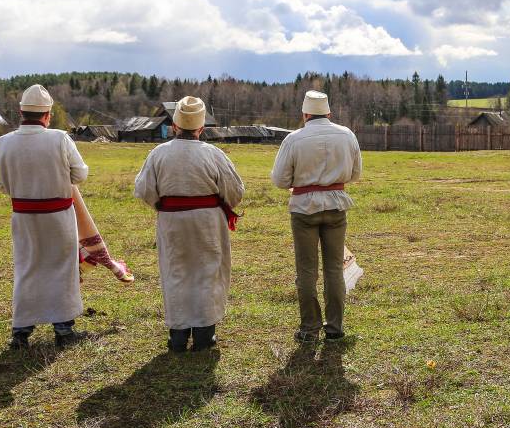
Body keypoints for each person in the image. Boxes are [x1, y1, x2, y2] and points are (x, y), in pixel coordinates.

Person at [134, 97, 244, 352]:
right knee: (207, 272)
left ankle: (179, 336)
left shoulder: (158, 153)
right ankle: (205, 334)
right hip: (207, 222)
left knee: (176, 272)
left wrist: (161, 204)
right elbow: (235, 191)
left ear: (174, 126)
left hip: (172, 221)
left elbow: (144, 190)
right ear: (201, 128)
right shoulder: (213, 154)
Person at [0, 84, 90, 349]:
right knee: (61, 267)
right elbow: (79, 174)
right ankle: (64, 330)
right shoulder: (60, 139)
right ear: (47, 114)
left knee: (27, 266)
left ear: (21, 112)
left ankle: (21, 330)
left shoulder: (4, 142)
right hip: (58, 216)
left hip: (23, 217)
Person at [270, 90, 362, 343]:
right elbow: (355, 174)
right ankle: (335, 327)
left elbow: (279, 179)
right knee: (334, 268)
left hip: (303, 208)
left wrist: (300, 183)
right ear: (329, 113)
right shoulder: (347, 135)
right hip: (336, 205)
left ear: (305, 114)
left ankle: (309, 329)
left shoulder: (294, 139)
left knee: (307, 270)